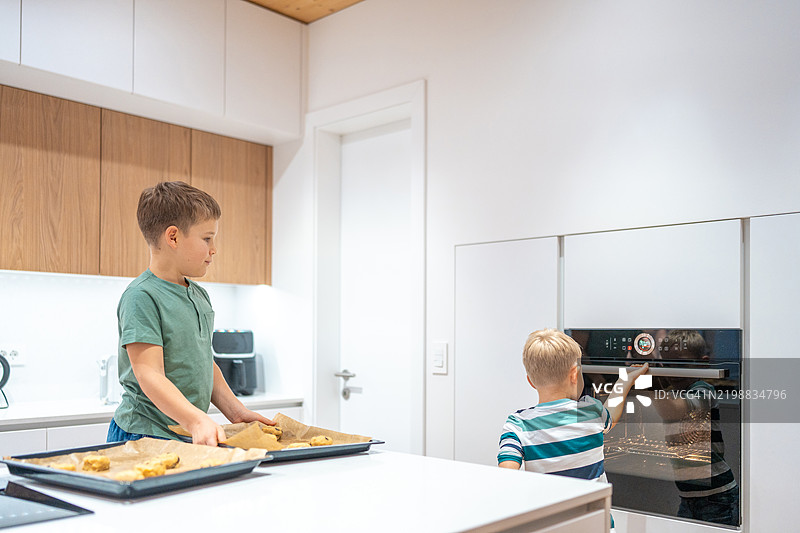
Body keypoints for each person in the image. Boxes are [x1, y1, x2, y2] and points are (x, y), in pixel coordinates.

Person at [107, 181, 275, 446]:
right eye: (207, 238)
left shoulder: (199, 295)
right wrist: (197, 420)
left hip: (185, 433)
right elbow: (149, 375)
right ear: (173, 237)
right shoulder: (142, 296)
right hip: (143, 435)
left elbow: (203, 363)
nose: (214, 248)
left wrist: (235, 410)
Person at [498, 329, 648, 529]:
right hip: (597, 524)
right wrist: (625, 380)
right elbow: (611, 416)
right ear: (575, 375)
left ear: (530, 381)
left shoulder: (517, 424)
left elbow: (506, 476)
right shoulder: (590, 412)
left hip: (550, 526)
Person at [651, 330, 739, 526]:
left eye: (680, 364)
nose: (674, 372)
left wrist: (647, 384)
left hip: (718, 496)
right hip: (688, 495)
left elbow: (674, 410)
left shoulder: (704, 390)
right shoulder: (672, 392)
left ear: (702, 363)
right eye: (668, 365)